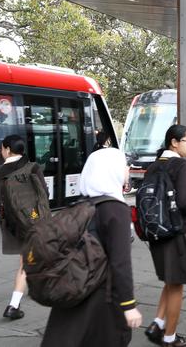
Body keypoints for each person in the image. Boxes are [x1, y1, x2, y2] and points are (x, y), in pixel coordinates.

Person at [41, 148, 142, 347]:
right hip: (101, 296)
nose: (127, 169)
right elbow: (120, 263)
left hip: (73, 287)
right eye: (124, 165)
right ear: (111, 170)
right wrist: (128, 304)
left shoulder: (80, 205)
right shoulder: (116, 209)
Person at [144, 125, 186, 347]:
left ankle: (157, 323)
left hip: (157, 232)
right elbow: (185, 202)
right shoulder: (181, 165)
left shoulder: (154, 166)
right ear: (174, 142)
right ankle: (170, 338)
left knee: (170, 279)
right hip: (177, 232)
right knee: (177, 284)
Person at [0, 134, 48, 321]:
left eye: (2, 148)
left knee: (26, 261)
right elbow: (44, 193)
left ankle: (16, 302)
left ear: (6, 149)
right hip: (36, 220)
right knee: (28, 261)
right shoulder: (34, 167)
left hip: (13, 224)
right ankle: (14, 303)